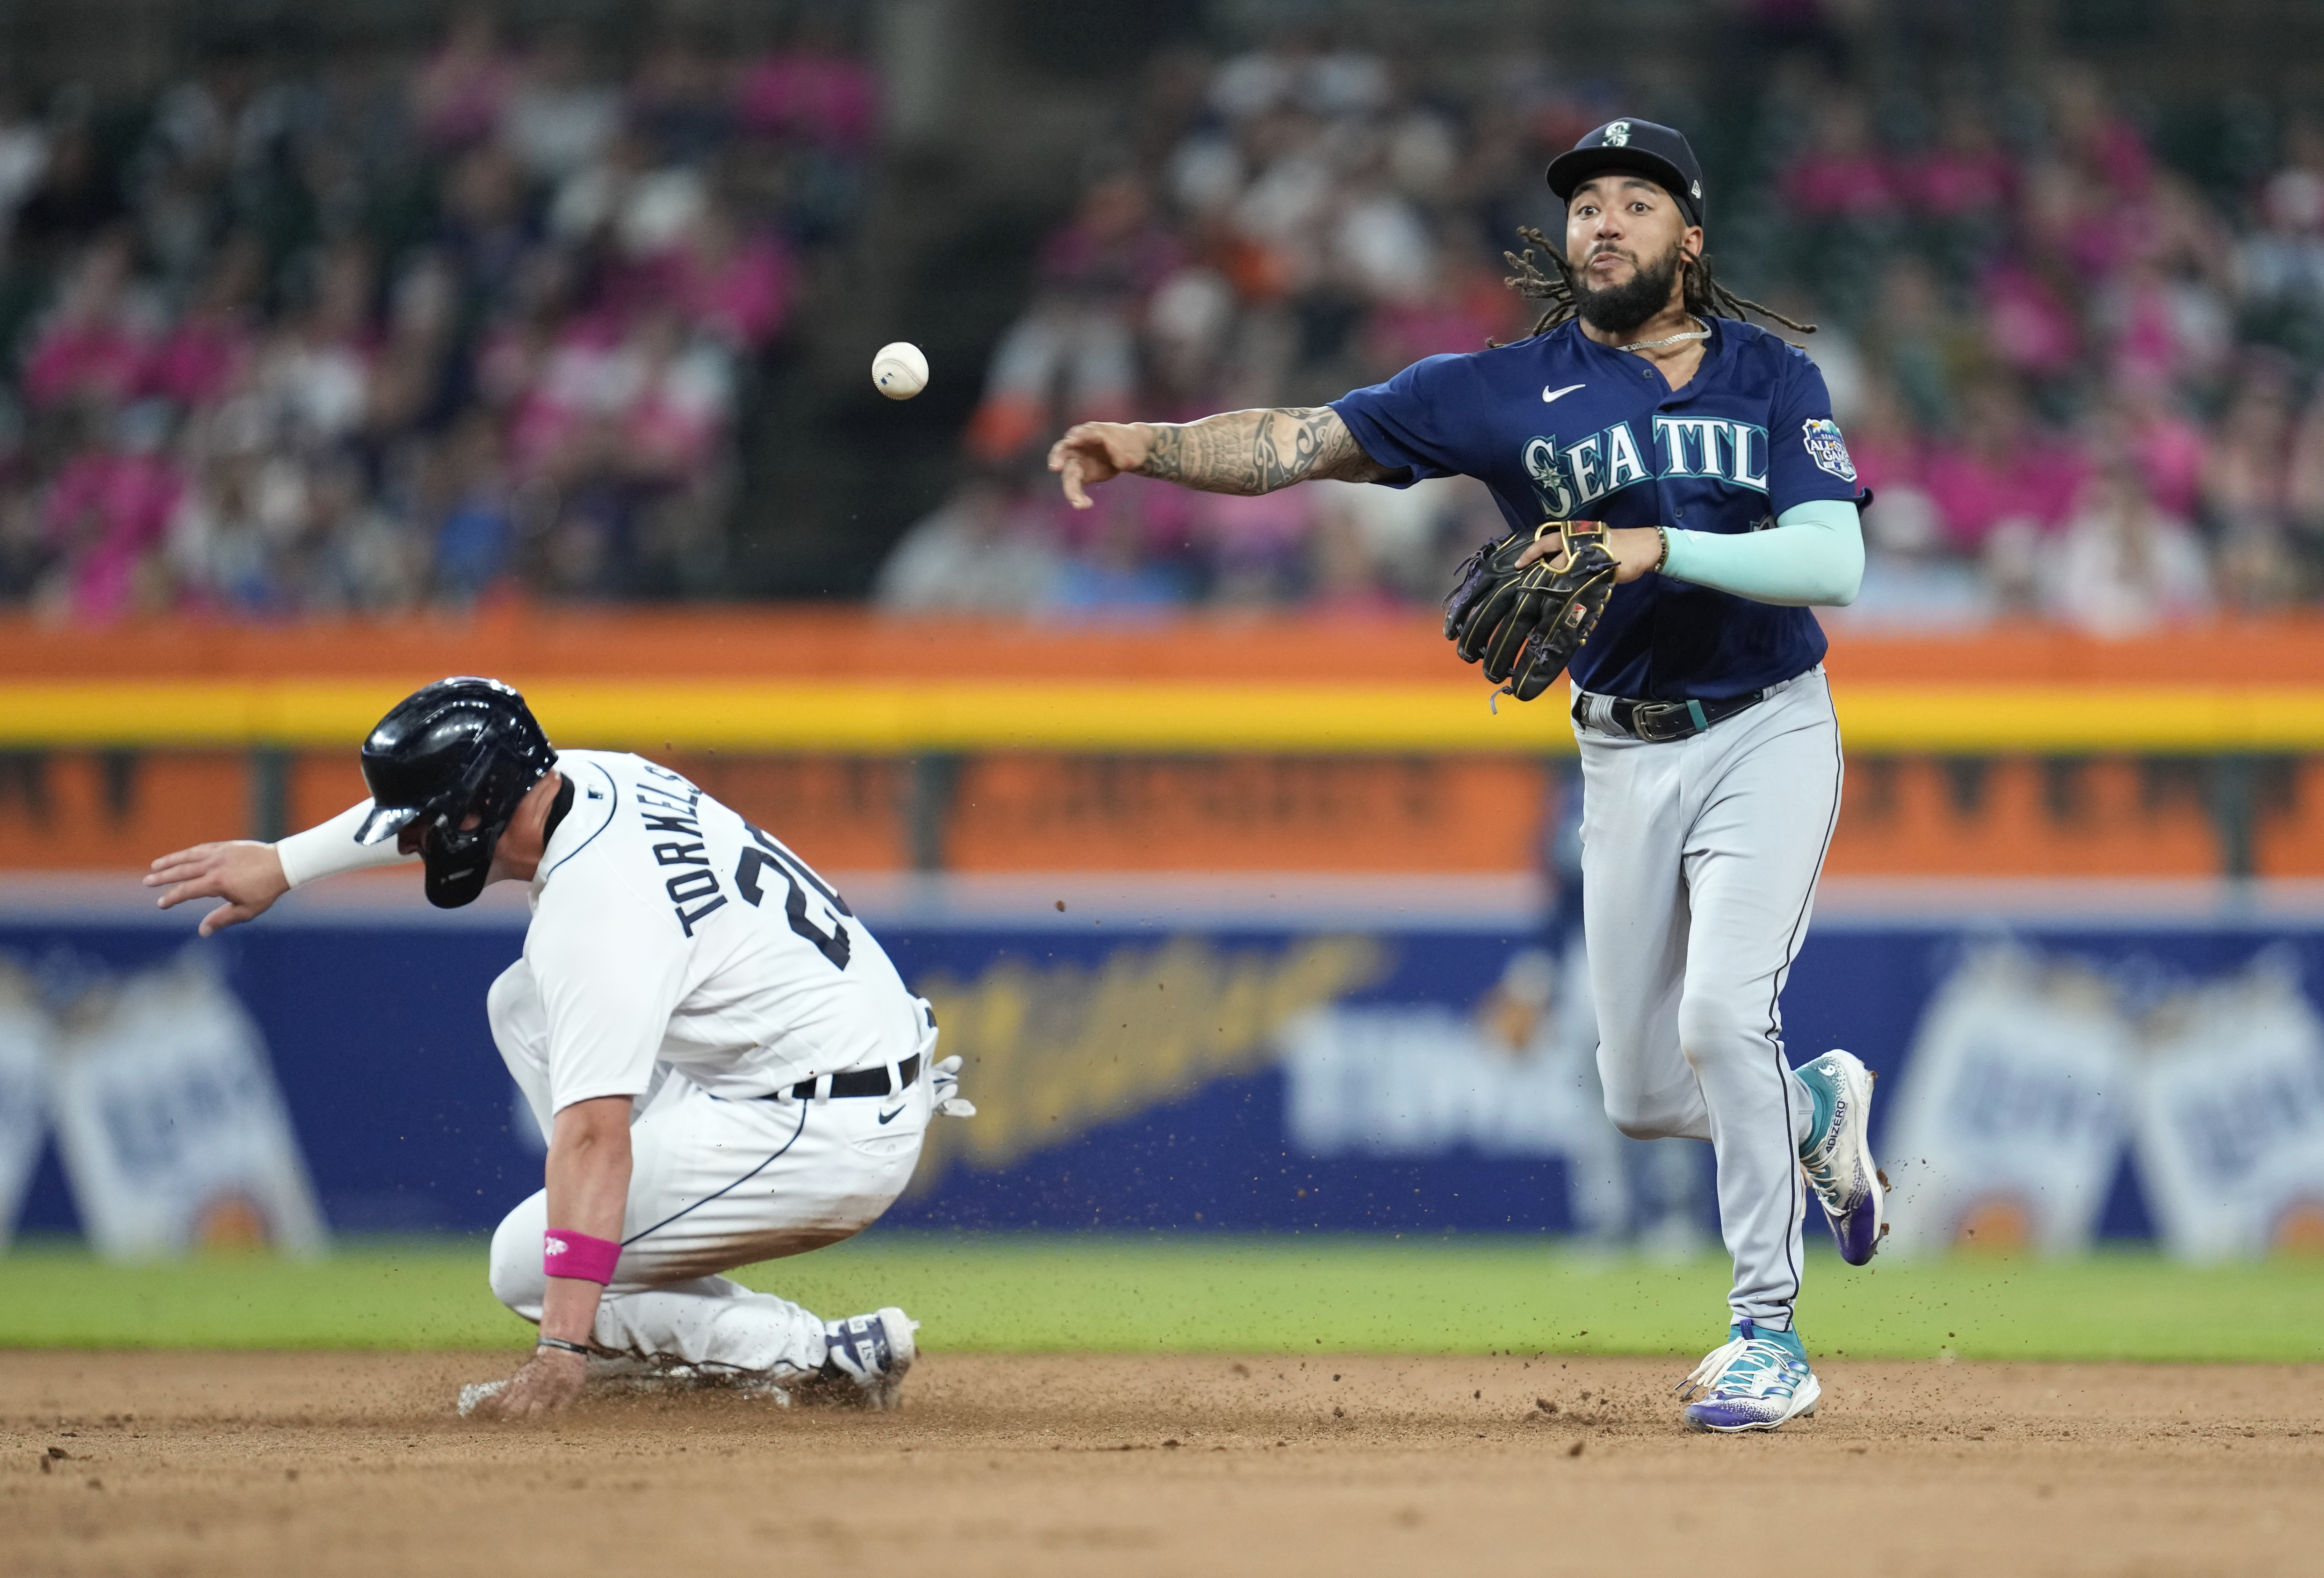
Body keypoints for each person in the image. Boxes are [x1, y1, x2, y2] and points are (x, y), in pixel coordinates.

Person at [1048, 118, 1885, 1434]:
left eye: (1636, 201)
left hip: (1767, 726)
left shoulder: (1770, 379)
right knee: (1639, 1091)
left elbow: (1832, 564)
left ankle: (1764, 1334)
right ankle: (1815, 1105)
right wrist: (1144, 442)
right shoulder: (1499, 388)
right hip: (1617, 748)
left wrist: (1646, 544)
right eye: (1586, 204)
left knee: (1723, 1016)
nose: (1603, 220)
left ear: (1691, 239)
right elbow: (1300, 440)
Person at [144, 677, 971, 1418]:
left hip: (825, 1133)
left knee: (524, 1267)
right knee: (523, 1002)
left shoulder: (597, 911)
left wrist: (561, 1345)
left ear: (483, 803)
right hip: (832, 1055)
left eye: (425, 826)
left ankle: (817, 1353)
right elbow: (431, 803)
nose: (413, 842)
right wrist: (286, 862)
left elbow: (593, 1137)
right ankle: (654, 1311)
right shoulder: (590, 774)